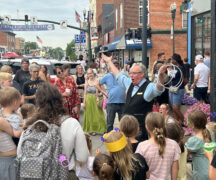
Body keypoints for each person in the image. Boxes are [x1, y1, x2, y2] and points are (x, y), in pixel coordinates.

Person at [17, 82, 89, 180]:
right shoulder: (72, 123)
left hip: (35, 174)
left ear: (38, 102)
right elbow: (83, 157)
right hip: (65, 173)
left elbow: (19, 153)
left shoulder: (30, 125)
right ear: (59, 99)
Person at [102, 53, 166, 141]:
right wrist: (109, 61)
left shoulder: (148, 86)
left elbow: (159, 88)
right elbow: (118, 75)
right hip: (127, 128)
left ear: (142, 74)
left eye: (134, 73)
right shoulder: (129, 83)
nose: (131, 75)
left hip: (140, 129)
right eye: (130, 73)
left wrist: (160, 76)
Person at [136, 112, 180, 180]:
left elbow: (140, 170)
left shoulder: (142, 146)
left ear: (147, 127)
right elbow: (175, 168)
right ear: (164, 125)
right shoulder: (173, 144)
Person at [96, 60, 126, 133]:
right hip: (111, 102)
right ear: (110, 67)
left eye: (117, 65)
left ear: (119, 66)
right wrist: (103, 92)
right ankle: (109, 138)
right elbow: (97, 84)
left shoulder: (123, 75)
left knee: (123, 123)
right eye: (114, 65)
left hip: (123, 102)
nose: (115, 67)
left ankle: (123, 138)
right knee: (110, 123)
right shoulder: (107, 76)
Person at [0, 87, 23, 180]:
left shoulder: (1, 113)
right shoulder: (16, 117)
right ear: (14, 102)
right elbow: (17, 134)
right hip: (10, 159)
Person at [185, 110, 213, 180]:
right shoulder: (211, 134)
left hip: (201, 174)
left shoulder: (193, 141)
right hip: (212, 169)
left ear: (192, 125)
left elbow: (186, 153)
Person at [83, 68, 106, 135]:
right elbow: (85, 93)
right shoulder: (86, 82)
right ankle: (92, 130)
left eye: (91, 73)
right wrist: (84, 103)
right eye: (88, 73)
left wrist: (99, 94)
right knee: (90, 115)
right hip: (88, 99)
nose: (90, 75)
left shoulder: (98, 81)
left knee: (99, 114)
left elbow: (103, 91)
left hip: (96, 99)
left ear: (93, 73)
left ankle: (102, 128)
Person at [168, 53, 186, 125]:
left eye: (172, 59)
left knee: (176, 108)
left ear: (176, 60)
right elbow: (171, 77)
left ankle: (186, 123)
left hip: (178, 89)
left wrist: (169, 69)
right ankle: (176, 125)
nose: (171, 61)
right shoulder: (174, 67)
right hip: (172, 88)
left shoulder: (180, 68)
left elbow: (183, 79)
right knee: (173, 108)